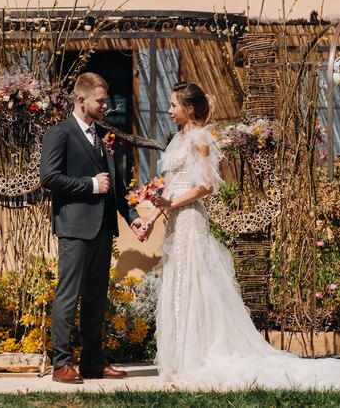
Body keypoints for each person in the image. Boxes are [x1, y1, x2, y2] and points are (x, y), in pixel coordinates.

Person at [144, 81, 340, 390]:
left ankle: (199, 356)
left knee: (193, 280)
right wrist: (153, 219)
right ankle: (181, 358)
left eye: (173, 105)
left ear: (189, 109)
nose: (169, 110)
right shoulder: (178, 139)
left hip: (190, 221)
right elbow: (171, 185)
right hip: (174, 220)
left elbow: (207, 186)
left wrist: (173, 204)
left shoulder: (200, 139)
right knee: (178, 281)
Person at [40, 72, 147, 384]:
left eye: (105, 100)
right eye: (101, 101)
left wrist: (133, 216)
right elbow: (49, 178)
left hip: (102, 230)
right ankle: (61, 363)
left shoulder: (102, 137)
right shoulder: (59, 133)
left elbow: (113, 187)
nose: (106, 105)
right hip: (74, 228)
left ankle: (92, 362)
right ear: (81, 99)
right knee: (68, 296)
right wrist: (89, 184)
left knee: (96, 298)